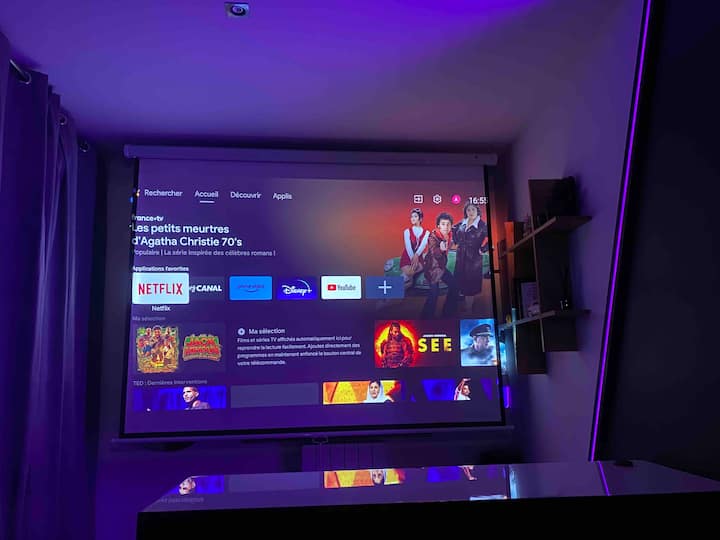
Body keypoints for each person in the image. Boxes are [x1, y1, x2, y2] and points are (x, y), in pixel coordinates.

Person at [420, 212, 460, 319]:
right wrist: (441, 249)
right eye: (443, 224)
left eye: (448, 224)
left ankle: (448, 312)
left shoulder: (449, 235)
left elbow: (458, 231)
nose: (446, 227)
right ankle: (426, 318)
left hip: (441, 267)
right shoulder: (433, 236)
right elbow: (434, 251)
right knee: (434, 294)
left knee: (454, 286)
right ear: (438, 225)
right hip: (432, 268)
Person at [452, 201, 489, 313]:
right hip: (461, 256)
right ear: (465, 212)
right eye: (468, 210)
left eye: (473, 209)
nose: (471, 212)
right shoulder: (462, 222)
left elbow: (490, 238)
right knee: (460, 280)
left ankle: (468, 309)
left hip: (473, 259)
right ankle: (462, 304)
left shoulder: (482, 225)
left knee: (470, 284)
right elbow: (454, 230)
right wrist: (456, 241)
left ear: (477, 211)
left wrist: (482, 249)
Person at [399, 208, 429, 290]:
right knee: (410, 281)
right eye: (411, 216)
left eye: (415, 216)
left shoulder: (426, 233)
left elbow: (423, 246)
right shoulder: (407, 231)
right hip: (406, 258)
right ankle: (394, 292)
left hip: (419, 259)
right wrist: (413, 258)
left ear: (420, 219)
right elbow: (408, 246)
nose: (412, 218)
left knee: (409, 277)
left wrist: (416, 255)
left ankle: (392, 290)